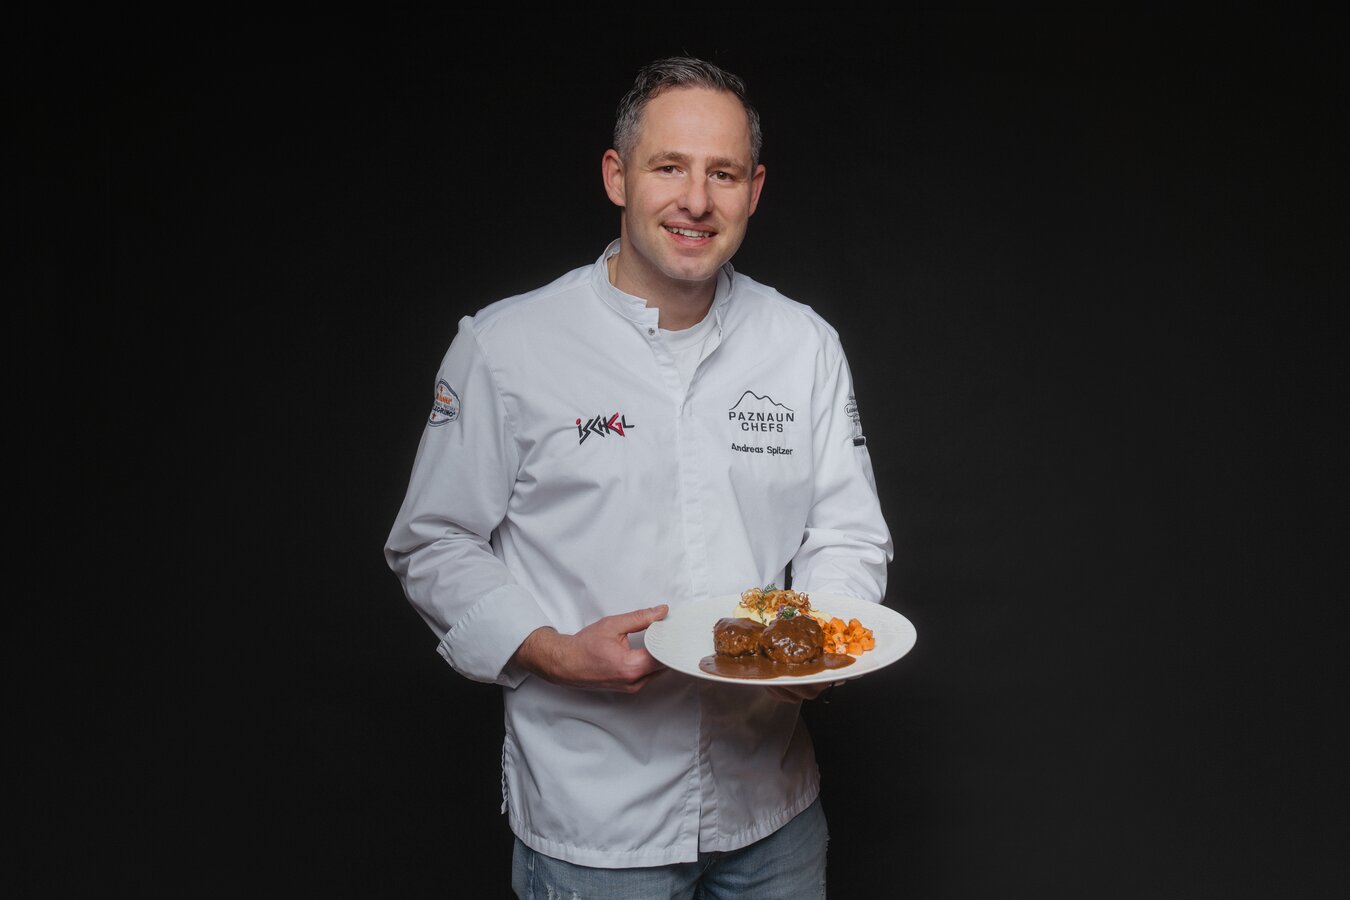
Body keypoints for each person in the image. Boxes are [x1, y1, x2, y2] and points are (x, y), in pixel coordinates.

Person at [384, 56, 892, 899]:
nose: (696, 200)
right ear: (617, 176)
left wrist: (822, 643)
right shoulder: (507, 348)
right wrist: (549, 651)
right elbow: (433, 540)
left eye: (722, 173)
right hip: (593, 824)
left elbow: (846, 531)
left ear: (754, 190)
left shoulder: (802, 344)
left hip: (772, 811)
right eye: (669, 168)